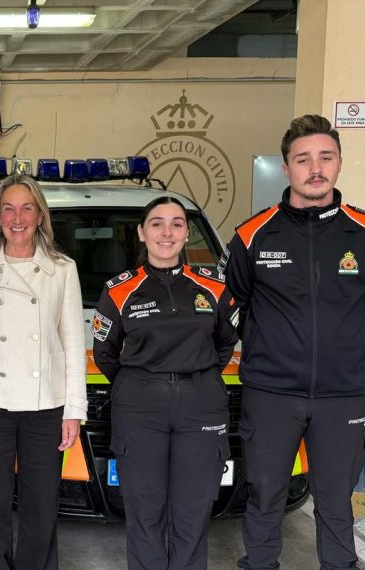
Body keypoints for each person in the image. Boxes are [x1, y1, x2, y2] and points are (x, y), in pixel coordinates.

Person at [224, 115, 365, 569]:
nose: (315, 168)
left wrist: (348, 348)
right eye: (303, 160)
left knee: (335, 500)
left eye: (325, 157)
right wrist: (269, 347)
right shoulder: (253, 235)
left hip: (344, 395)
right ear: (286, 169)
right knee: (265, 493)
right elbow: (234, 303)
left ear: (339, 162)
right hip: (270, 393)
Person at [0, 174, 86, 569]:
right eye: (8, 208)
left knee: (41, 509)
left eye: (27, 207)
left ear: (41, 215)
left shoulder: (63, 269)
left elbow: (73, 343)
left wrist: (74, 410)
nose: (17, 217)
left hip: (46, 407)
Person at [91, 196, 238, 570]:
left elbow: (225, 343)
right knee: (145, 514)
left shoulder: (214, 287)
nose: (166, 232)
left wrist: (195, 376)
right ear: (141, 233)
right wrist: (142, 385)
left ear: (187, 233)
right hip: (140, 409)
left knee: (192, 515)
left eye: (176, 223)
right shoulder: (119, 290)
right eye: (156, 223)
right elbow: (105, 354)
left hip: (201, 405)